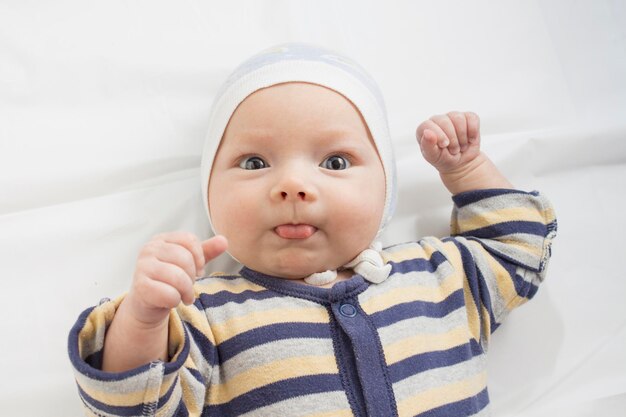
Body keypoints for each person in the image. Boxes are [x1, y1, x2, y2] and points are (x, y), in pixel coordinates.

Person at [68, 43, 557, 417]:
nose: (293, 186)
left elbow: (516, 251)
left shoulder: (438, 275)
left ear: (385, 187)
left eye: (336, 161)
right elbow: (138, 405)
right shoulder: (206, 316)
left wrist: (467, 171)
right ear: (209, 192)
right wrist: (144, 317)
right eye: (255, 162)